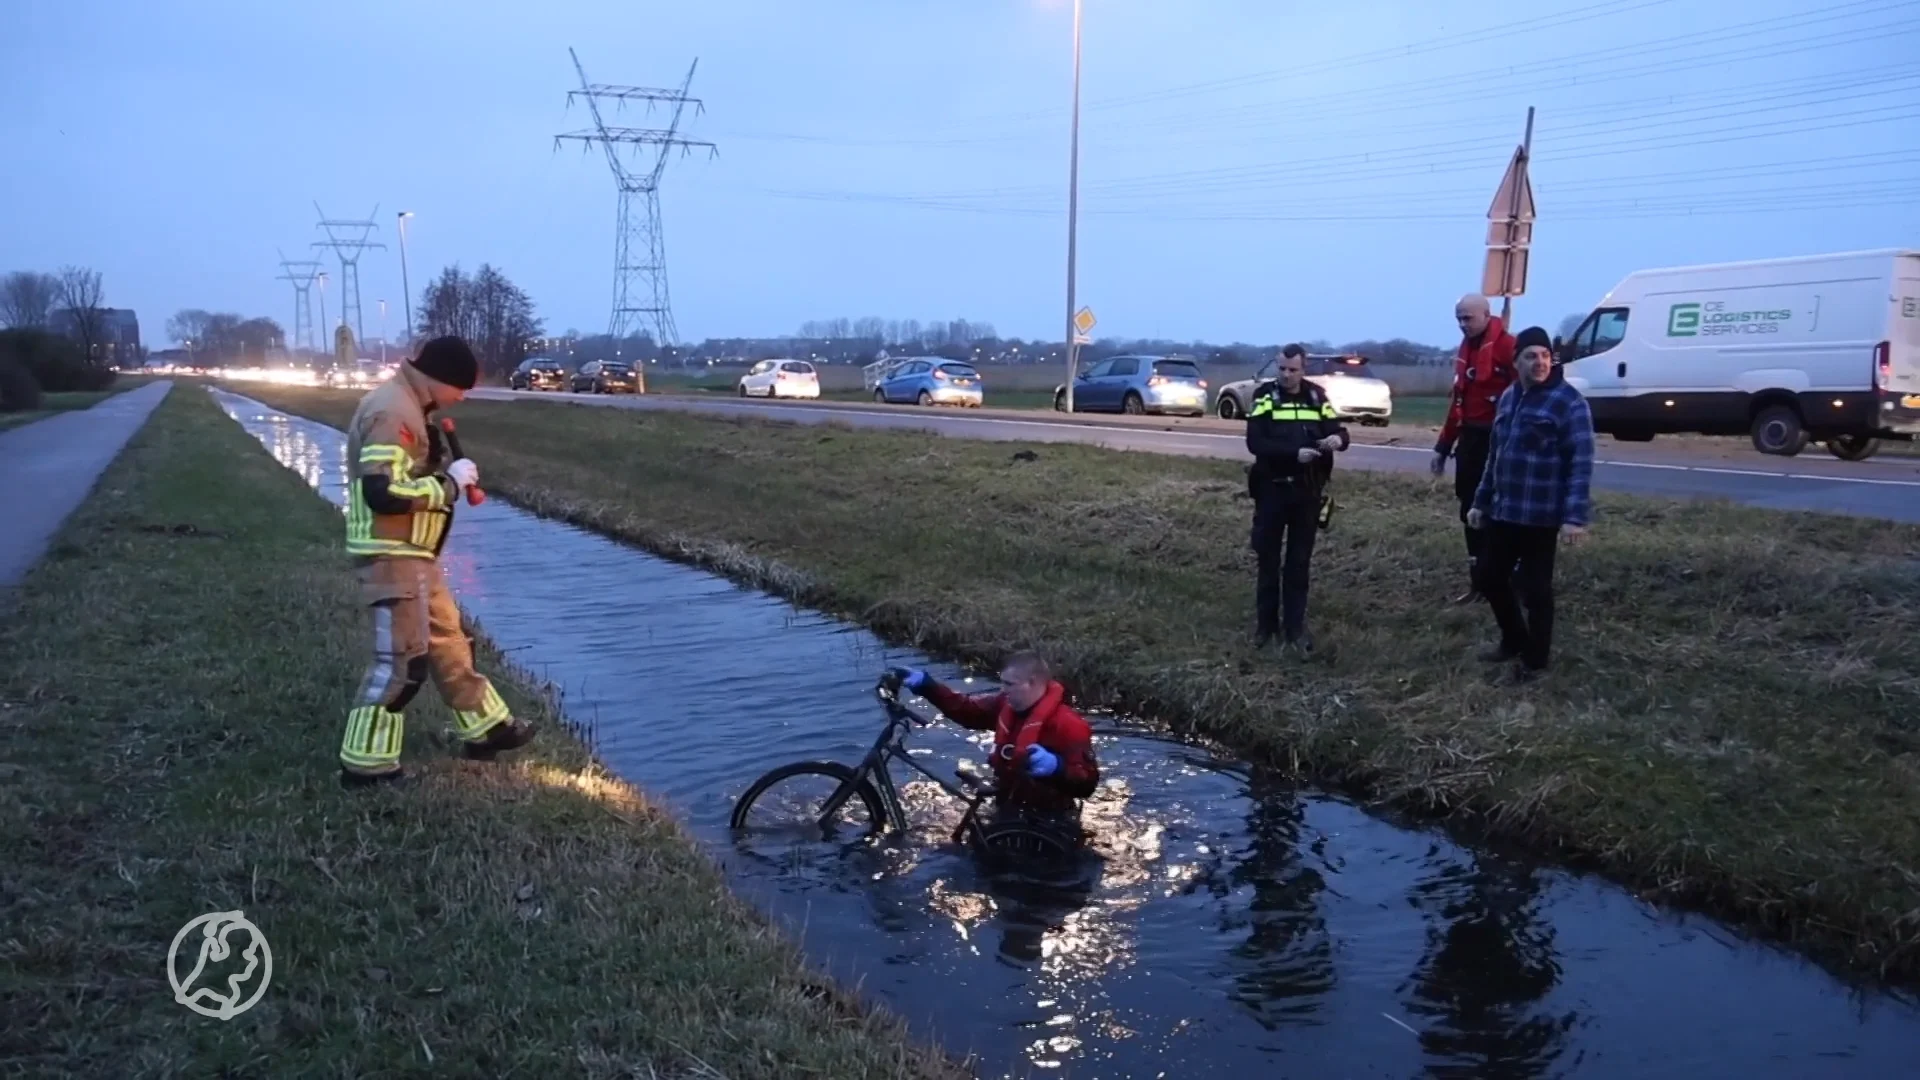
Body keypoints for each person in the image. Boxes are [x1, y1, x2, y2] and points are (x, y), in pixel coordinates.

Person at [337, 335, 536, 787]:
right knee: (401, 664)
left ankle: (487, 729)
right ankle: (365, 766)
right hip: (391, 554)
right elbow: (382, 492)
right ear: (438, 378)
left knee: (450, 643)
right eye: (459, 389)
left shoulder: (410, 405)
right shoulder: (392, 412)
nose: (461, 398)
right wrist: (447, 483)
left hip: (417, 555)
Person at [1467, 325, 1595, 680]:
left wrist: (1575, 518)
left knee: (1536, 591)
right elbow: (1496, 455)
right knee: (1490, 577)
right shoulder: (1509, 397)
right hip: (1506, 510)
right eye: (1531, 356)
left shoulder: (1569, 403)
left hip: (1542, 515)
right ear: (1516, 361)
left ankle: (1535, 662)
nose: (1539, 363)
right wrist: (1481, 501)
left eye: (1544, 356)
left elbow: (1580, 464)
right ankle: (1513, 640)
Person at [885, 652, 1099, 827]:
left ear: (1032, 683)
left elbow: (1087, 785)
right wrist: (927, 686)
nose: (1003, 691)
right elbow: (965, 710)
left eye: (1010, 684)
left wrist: (1057, 768)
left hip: (1053, 817)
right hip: (1007, 804)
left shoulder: (1069, 725)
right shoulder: (1004, 705)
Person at [1245, 344, 1349, 652]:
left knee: (1299, 563)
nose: (1287, 375)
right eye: (1282, 369)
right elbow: (1255, 442)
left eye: (1293, 369)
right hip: (1272, 489)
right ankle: (1266, 628)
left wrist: (1337, 440)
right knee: (1268, 560)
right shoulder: (1264, 396)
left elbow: (1339, 430)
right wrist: (1293, 453)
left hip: (1307, 491)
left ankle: (1295, 629)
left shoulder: (1317, 396)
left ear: (1304, 369)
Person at [1431, 294, 1518, 604]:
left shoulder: (1508, 346)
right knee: (1470, 511)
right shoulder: (1466, 351)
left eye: (1467, 318)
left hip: (1500, 442)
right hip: (1470, 441)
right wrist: (1443, 446)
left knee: (1501, 514)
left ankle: (1507, 581)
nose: (1462, 324)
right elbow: (1458, 404)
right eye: (1458, 319)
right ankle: (1479, 582)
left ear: (1486, 314)